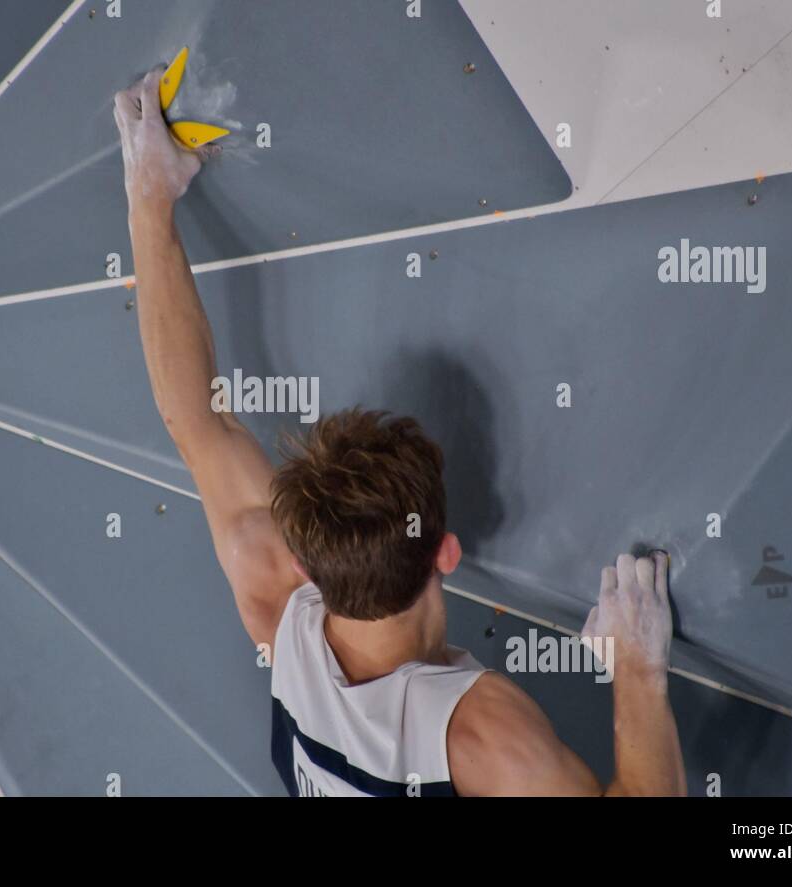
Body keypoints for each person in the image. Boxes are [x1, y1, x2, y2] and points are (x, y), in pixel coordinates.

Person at [114, 69, 686, 797]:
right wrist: (639, 673)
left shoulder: (277, 606)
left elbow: (194, 417)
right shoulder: (481, 736)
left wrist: (146, 201)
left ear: (308, 565)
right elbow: (195, 417)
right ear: (447, 549)